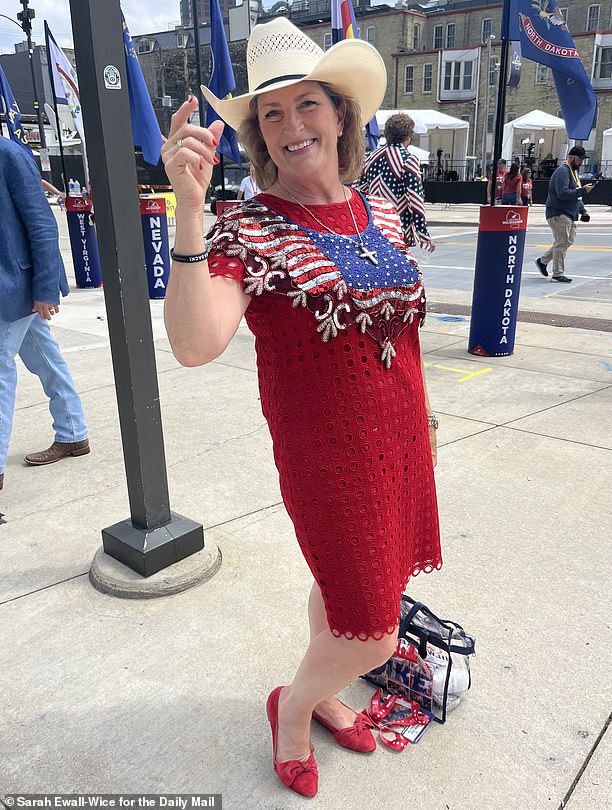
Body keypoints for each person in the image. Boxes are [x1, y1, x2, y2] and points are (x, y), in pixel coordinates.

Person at [162, 17, 442, 798]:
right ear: (257, 135)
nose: (290, 126)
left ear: (341, 114)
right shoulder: (248, 228)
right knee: (374, 629)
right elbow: (195, 342)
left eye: (306, 105)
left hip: (401, 441)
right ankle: (293, 708)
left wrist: (421, 426)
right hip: (329, 459)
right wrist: (188, 212)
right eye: (271, 114)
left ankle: (317, 696)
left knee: (339, 587)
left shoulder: (379, 210)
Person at [0, 136, 90, 494]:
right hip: (11, 287)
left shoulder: (8, 154)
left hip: (16, 286)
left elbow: (41, 224)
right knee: (45, 356)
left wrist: (44, 289)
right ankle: (73, 433)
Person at [360, 113, 435, 252]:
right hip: (398, 227)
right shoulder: (408, 160)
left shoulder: (371, 158)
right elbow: (415, 199)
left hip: (374, 225)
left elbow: (361, 191)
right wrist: (423, 233)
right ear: (408, 136)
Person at [535, 145, 594, 284]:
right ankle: (558, 274)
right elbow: (562, 193)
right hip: (558, 212)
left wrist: (582, 210)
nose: (581, 162)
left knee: (568, 240)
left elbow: (576, 194)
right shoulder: (563, 171)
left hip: (569, 213)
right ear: (572, 157)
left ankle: (542, 261)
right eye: (580, 159)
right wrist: (583, 191)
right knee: (562, 242)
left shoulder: (572, 172)